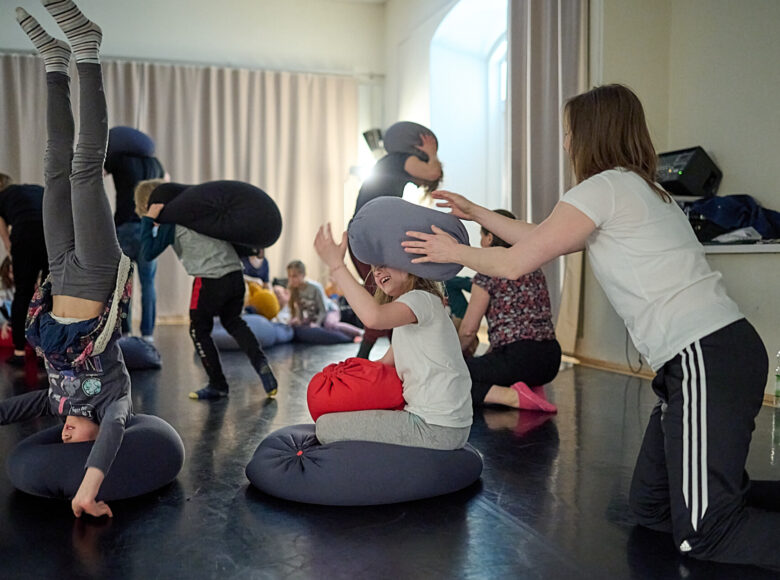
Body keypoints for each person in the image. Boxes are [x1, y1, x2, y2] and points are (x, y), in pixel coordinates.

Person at [403, 84, 777, 570]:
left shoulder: (604, 189)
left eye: (567, 133)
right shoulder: (634, 188)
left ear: (590, 134)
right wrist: (477, 213)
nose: (564, 144)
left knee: (705, 536)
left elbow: (516, 262)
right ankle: (719, 487)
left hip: (706, 355)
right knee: (650, 509)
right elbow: (542, 236)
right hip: (700, 359)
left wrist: (452, 253)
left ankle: (718, 500)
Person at [1, 1, 135, 518]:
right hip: (98, 275)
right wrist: (86, 488)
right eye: (76, 439)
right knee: (83, 171)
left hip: (58, 277)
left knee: (53, 170)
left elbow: (22, 406)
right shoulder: (114, 404)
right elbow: (112, 436)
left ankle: (55, 63)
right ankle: (88, 52)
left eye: (64, 436)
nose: (67, 431)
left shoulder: (59, 403)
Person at [313, 223, 471, 450]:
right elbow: (384, 365)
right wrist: (343, 384)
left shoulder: (420, 299)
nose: (377, 271)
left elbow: (373, 317)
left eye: (384, 264)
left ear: (409, 264)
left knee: (326, 427)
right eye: (375, 267)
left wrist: (338, 266)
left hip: (435, 427)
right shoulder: (408, 312)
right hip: (442, 424)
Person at [135, 179, 279, 401]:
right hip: (234, 275)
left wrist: (147, 221)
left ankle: (218, 384)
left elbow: (147, 252)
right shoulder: (201, 213)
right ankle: (262, 366)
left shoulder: (171, 223)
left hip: (209, 280)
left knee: (198, 330)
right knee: (234, 322)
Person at [351, 132, 443, 359]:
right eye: (423, 183)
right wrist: (432, 153)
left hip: (368, 236)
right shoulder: (400, 159)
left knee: (389, 296)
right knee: (383, 297)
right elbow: (433, 171)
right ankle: (364, 360)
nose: (423, 183)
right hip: (369, 237)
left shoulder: (392, 170)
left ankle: (394, 356)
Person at [458, 209, 561, 412]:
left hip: (518, 359)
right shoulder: (533, 268)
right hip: (551, 359)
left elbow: (469, 330)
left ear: (489, 238)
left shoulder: (489, 269)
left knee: (450, 378)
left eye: (482, 236)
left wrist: (452, 360)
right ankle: (530, 390)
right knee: (484, 367)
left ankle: (512, 396)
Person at [104, 137, 165, 342]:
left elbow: (97, 174)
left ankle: (126, 332)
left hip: (125, 227)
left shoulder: (120, 160)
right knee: (149, 284)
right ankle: (148, 335)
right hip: (149, 228)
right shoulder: (156, 164)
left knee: (123, 285)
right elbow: (166, 183)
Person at [0, 173, 49, 366]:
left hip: (24, 237)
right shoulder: (37, 189)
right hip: (49, 236)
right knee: (48, 293)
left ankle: (20, 351)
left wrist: (12, 250)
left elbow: (5, 237)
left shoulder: (2, 197)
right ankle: (46, 350)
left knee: (23, 293)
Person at [286, 259, 362, 341]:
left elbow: (323, 309)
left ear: (303, 275)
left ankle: (359, 332)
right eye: (289, 276)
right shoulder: (293, 289)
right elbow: (300, 308)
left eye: (294, 276)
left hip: (329, 310)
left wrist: (317, 324)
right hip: (315, 313)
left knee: (330, 324)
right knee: (298, 323)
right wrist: (299, 319)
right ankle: (351, 337)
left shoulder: (315, 287)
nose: (291, 279)